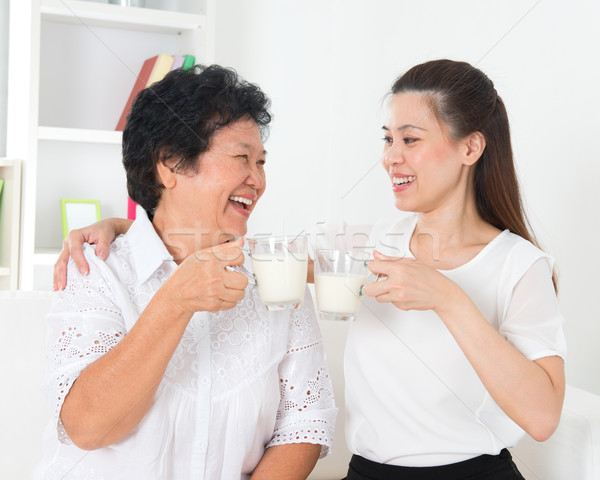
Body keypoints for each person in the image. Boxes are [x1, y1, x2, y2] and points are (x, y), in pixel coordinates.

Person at [55, 59, 567, 480]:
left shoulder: (520, 266)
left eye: (409, 139)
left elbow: (542, 417)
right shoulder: (367, 246)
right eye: (387, 140)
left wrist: (449, 298)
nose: (391, 158)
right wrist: (123, 228)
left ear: (471, 147)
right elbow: (226, 244)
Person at [37, 65, 336, 480]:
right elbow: (87, 428)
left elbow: (303, 425)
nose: (259, 179)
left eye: (261, 161)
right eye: (241, 158)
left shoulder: (277, 275)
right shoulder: (95, 268)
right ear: (170, 164)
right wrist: (175, 301)